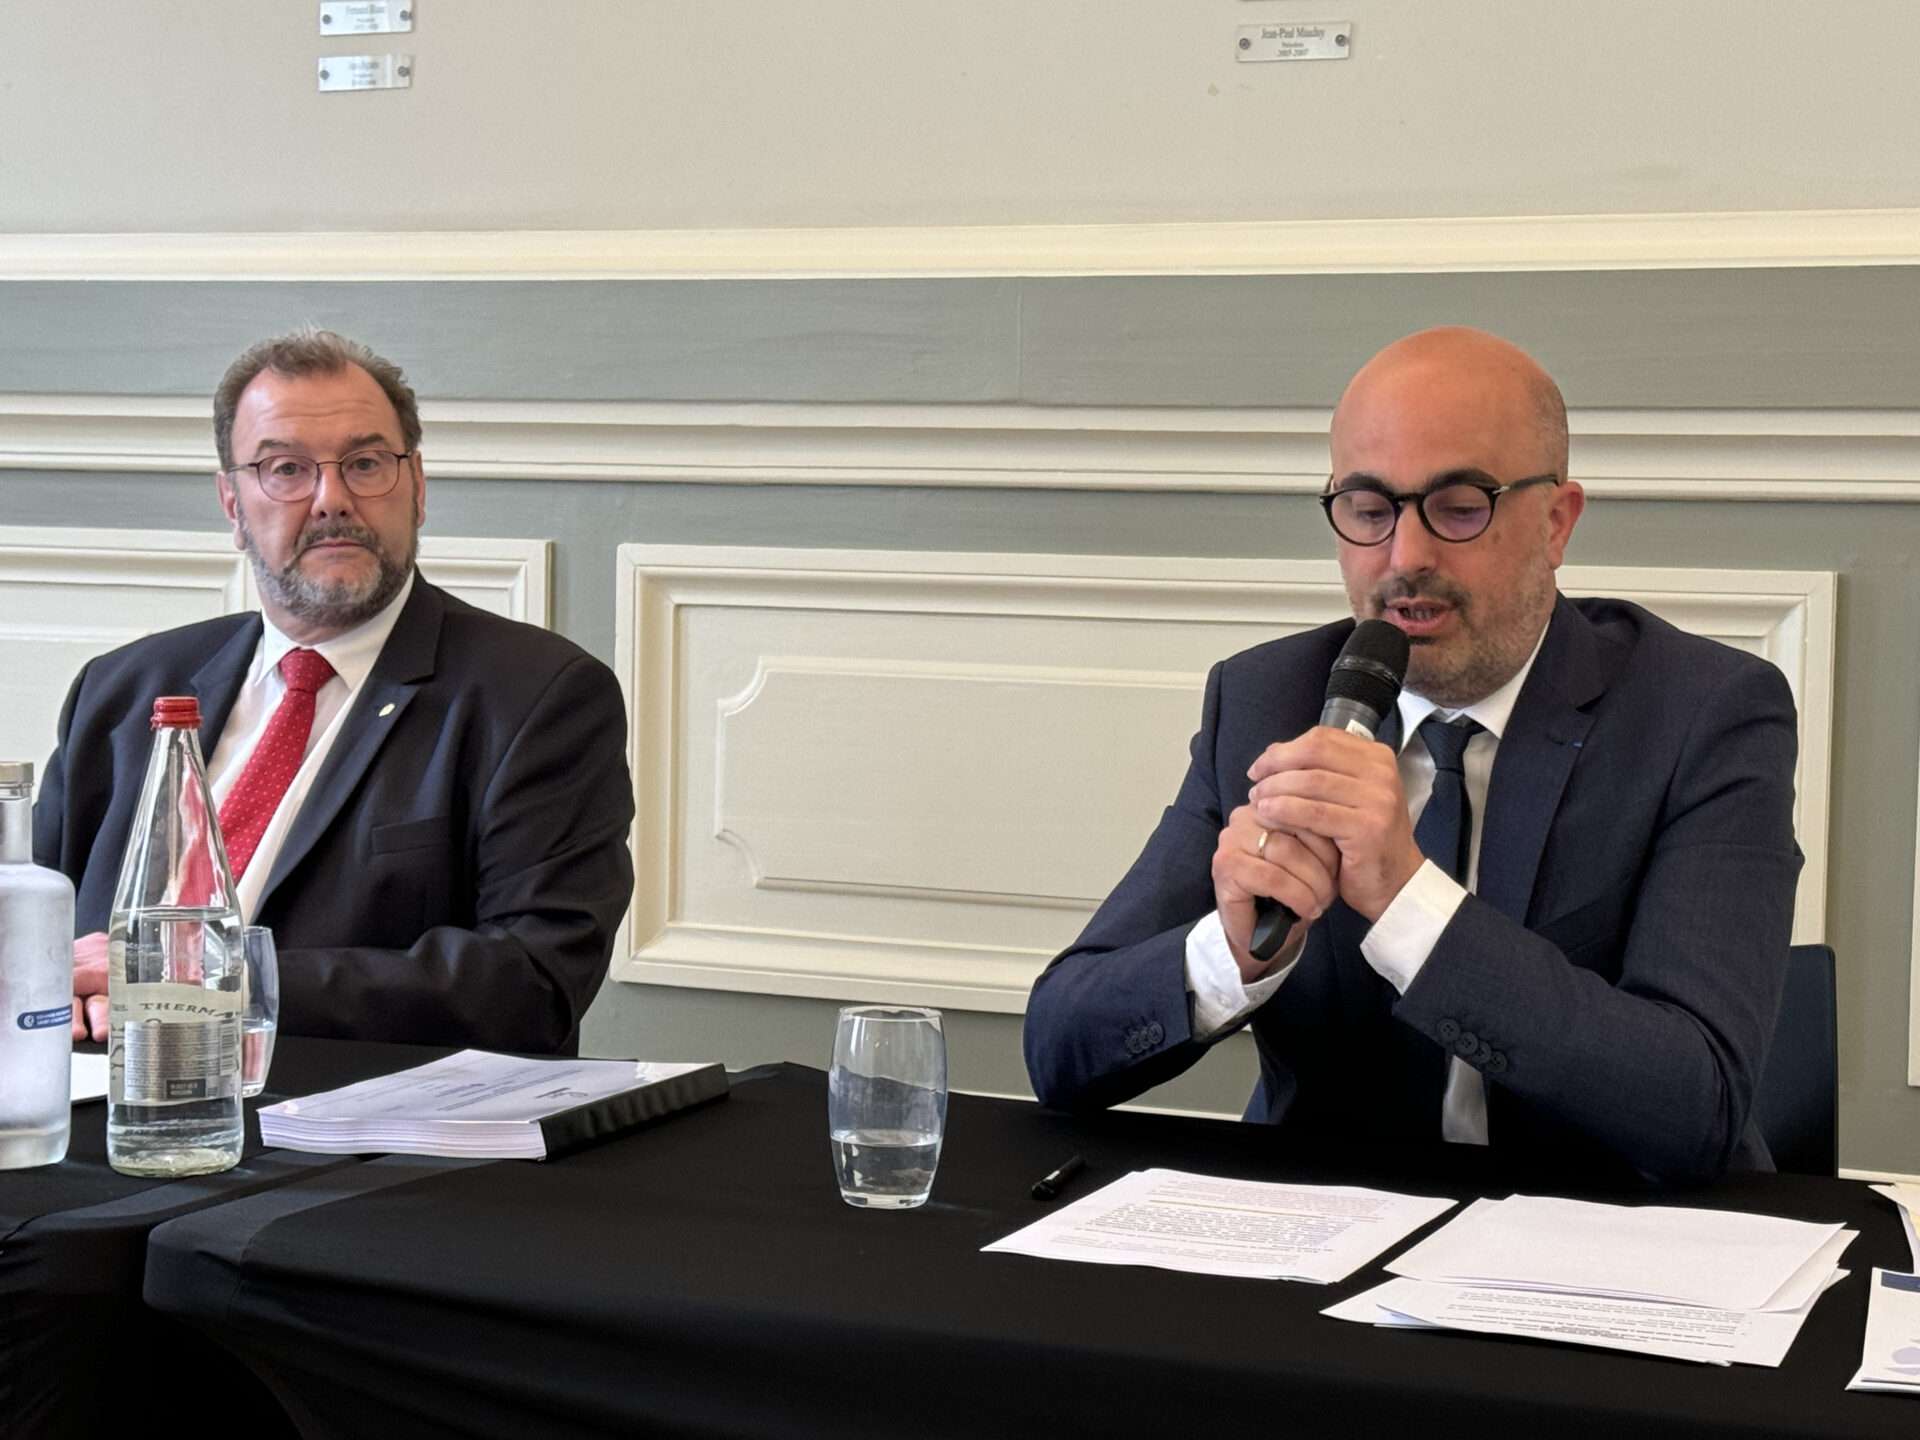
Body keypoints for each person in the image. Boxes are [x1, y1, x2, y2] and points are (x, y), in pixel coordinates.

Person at [1022, 326, 1801, 1184]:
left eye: (1459, 508)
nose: (1406, 558)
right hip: (1327, 1233)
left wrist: (1405, 898)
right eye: (1369, 510)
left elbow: (1695, 1106)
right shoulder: (1267, 700)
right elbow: (1061, 1047)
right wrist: (1229, 956)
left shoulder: (1703, 713)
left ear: (1556, 522)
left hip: (1610, 1232)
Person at [35, 329, 633, 1054]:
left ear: (418, 488)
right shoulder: (123, 690)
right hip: (89, 1088)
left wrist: (206, 976)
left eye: (366, 464)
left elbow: (531, 984)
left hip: (342, 1109)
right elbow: (27, 925)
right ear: (233, 505)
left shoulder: (537, 698)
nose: (331, 500)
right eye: (286, 468)